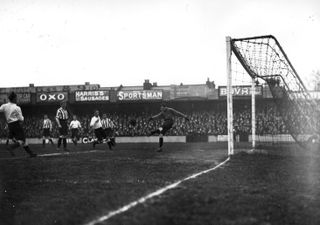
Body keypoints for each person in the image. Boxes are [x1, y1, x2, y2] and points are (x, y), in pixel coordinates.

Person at [0, 92, 37, 157]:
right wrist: (22, 117)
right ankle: (11, 147)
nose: (17, 99)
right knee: (22, 140)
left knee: (23, 140)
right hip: (16, 125)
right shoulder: (17, 108)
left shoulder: (4, 106)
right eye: (16, 98)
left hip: (10, 125)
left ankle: (31, 154)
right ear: (14, 98)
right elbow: (21, 119)